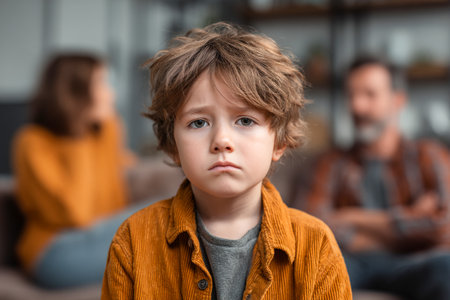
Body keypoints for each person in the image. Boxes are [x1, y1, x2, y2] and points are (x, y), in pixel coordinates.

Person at [102, 22, 352, 300]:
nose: (222, 140)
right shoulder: (133, 240)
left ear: (279, 141)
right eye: (199, 123)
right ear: (172, 145)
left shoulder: (316, 245)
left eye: (245, 120)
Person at [304, 56, 450, 299]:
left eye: (369, 95)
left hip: (417, 263)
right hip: (350, 263)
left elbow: (444, 227)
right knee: (310, 271)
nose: (357, 106)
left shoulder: (429, 155)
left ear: (398, 100)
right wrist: (411, 220)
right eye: (351, 95)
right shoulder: (329, 163)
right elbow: (308, 226)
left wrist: (353, 218)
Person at [12, 54, 152, 288]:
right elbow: (77, 214)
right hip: (55, 251)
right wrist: (76, 134)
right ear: (75, 93)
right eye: (102, 84)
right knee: (169, 212)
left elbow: (126, 165)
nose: (111, 94)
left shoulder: (106, 129)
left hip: (105, 237)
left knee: (177, 206)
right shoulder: (31, 142)